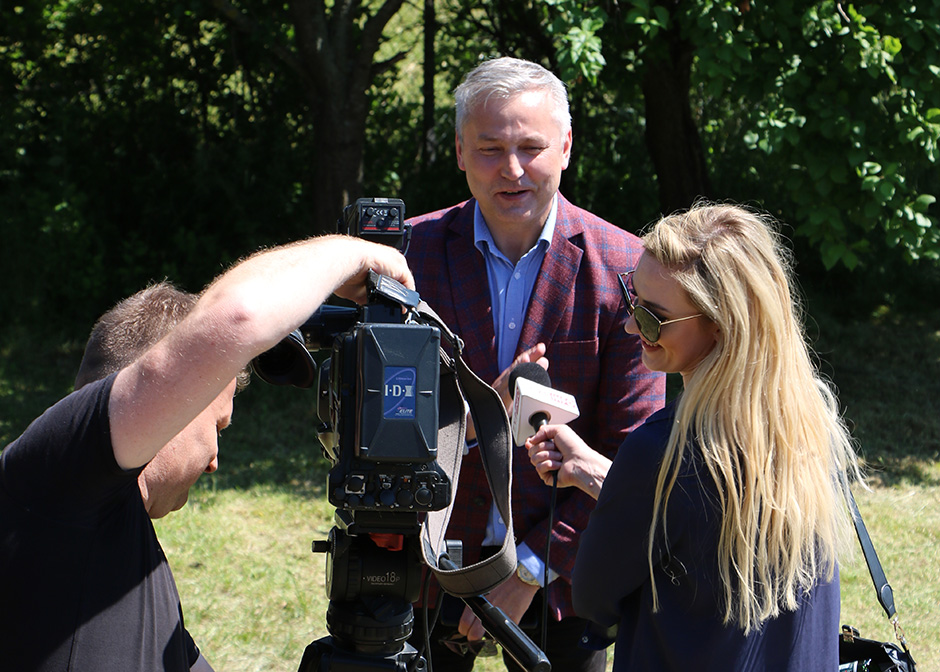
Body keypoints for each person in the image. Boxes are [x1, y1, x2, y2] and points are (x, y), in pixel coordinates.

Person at [0, 235, 415, 672]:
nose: (215, 460)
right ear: (169, 404)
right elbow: (238, 316)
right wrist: (360, 253)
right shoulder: (58, 476)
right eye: (216, 426)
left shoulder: (125, 540)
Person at [405, 56, 665, 672]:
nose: (512, 169)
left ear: (567, 148)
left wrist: (528, 571)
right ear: (461, 153)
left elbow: (631, 458)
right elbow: (377, 426)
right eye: (490, 148)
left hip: (567, 570)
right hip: (432, 556)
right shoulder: (407, 260)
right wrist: (477, 414)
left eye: (531, 146)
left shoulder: (630, 270)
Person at [526, 203, 863, 671]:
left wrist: (624, 482)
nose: (629, 325)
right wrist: (604, 476)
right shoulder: (810, 430)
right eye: (631, 299)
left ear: (722, 327)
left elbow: (592, 596)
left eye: (652, 319)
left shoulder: (662, 453)